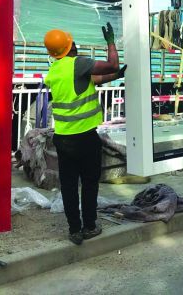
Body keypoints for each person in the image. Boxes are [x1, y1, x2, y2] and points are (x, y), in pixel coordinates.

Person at [44, 23, 126, 245]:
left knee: (69, 186)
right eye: (73, 43)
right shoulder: (77, 64)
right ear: (69, 47)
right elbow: (112, 64)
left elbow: (95, 79)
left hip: (63, 139)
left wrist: (115, 76)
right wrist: (111, 43)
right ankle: (89, 226)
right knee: (90, 183)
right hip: (85, 138)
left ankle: (74, 230)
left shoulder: (55, 71)